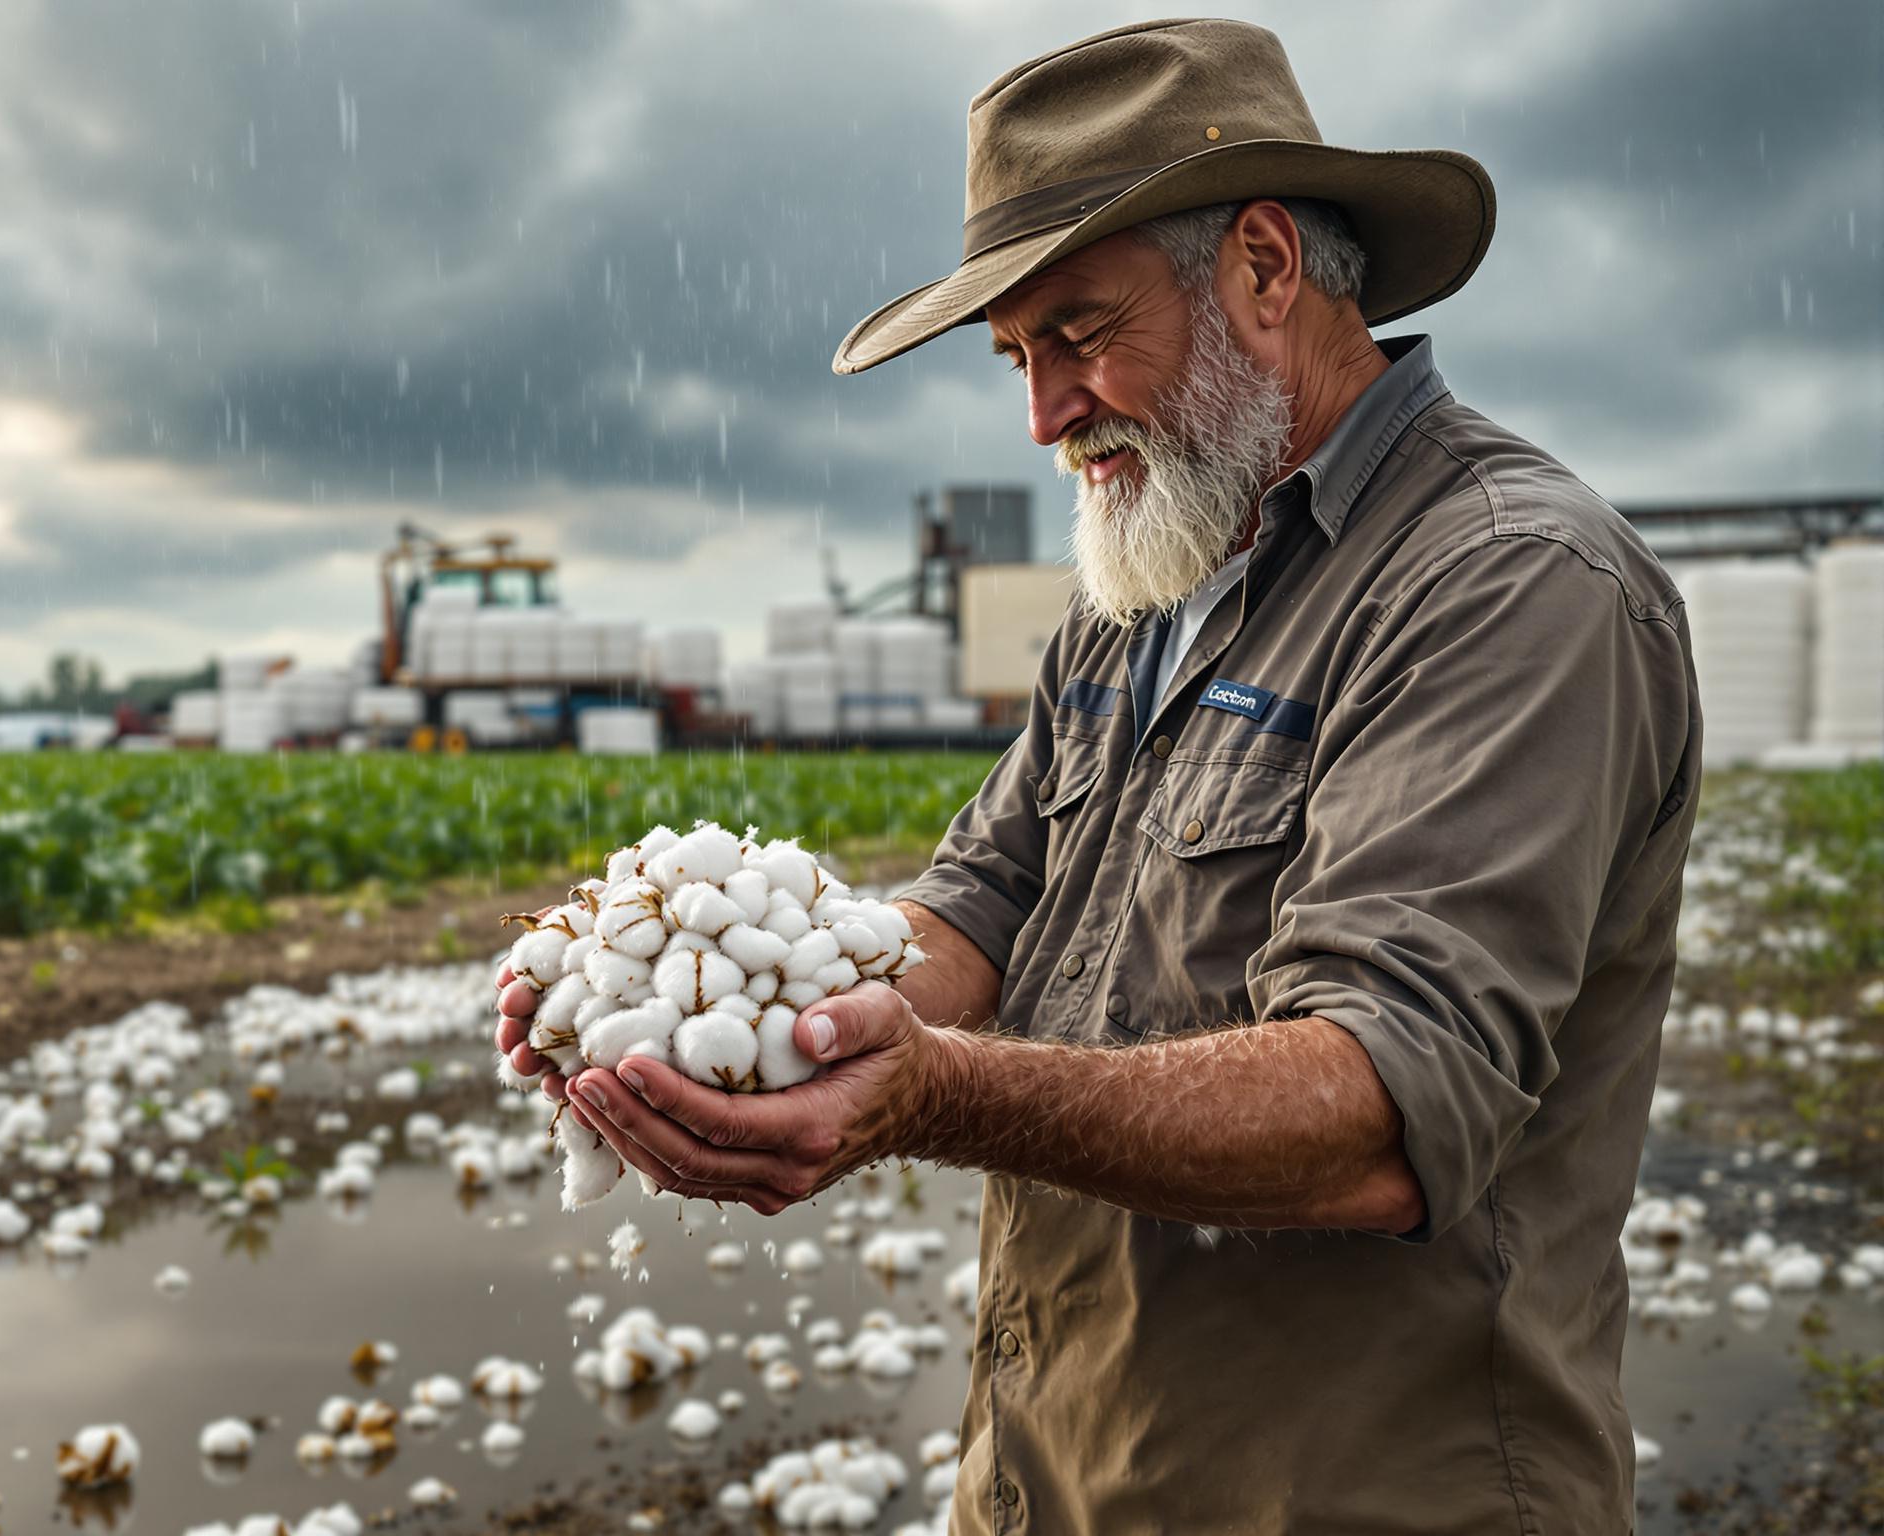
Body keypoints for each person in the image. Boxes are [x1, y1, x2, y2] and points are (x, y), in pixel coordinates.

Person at [495, 18, 1699, 1533]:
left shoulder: (1509, 585)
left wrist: (921, 1096)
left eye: (1078, 333)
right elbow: (977, 912)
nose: (1044, 416)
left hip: (1351, 1497)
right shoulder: (1141, 598)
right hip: (1056, 1469)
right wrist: (738, 1028)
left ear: (1266, 268)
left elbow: (1386, 1105)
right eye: (1016, 358)